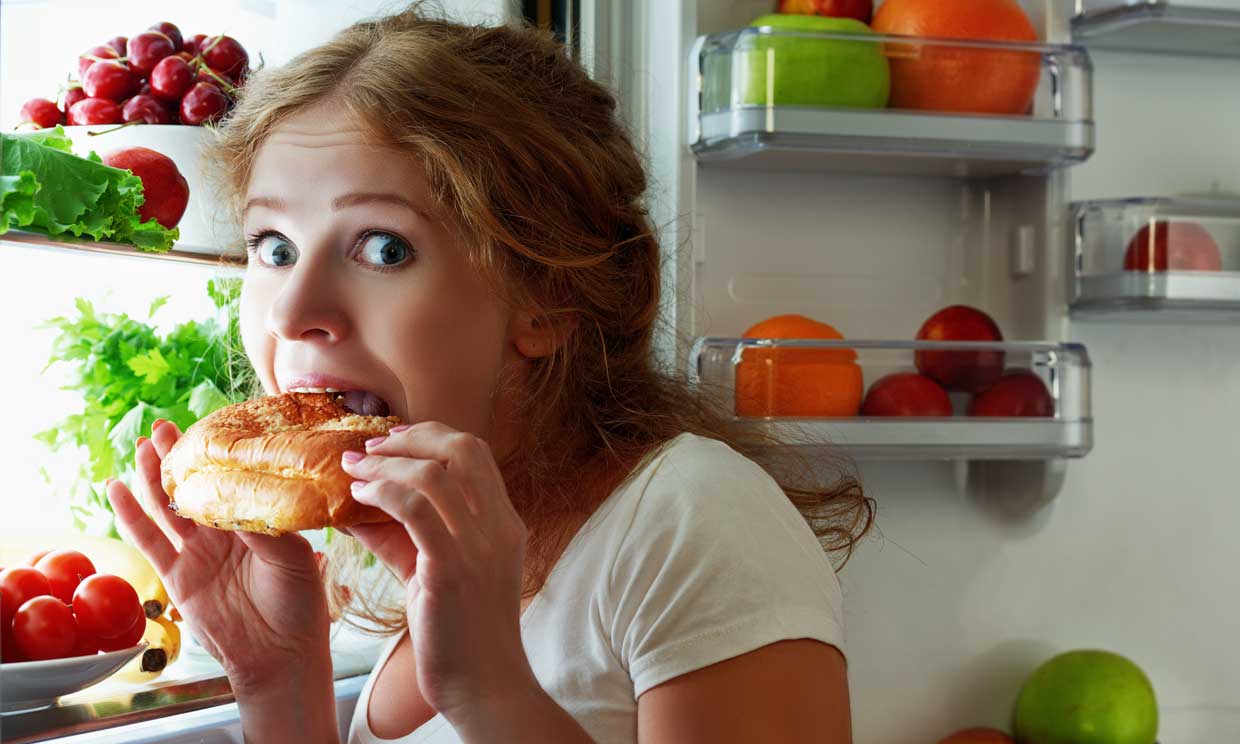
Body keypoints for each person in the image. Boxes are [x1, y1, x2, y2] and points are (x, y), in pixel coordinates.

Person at [106, 6, 874, 743]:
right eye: (273, 246)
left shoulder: (693, 519)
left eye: (383, 248)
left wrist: (487, 690)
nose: (292, 309)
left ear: (547, 295)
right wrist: (277, 675)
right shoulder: (397, 555)